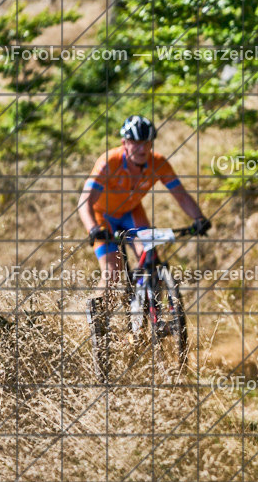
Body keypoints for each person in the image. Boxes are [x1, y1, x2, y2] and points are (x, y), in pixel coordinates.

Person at [77, 115, 210, 334]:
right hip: (103, 216)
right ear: (124, 143)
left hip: (131, 212)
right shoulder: (109, 162)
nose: (141, 148)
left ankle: (152, 315)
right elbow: (85, 201)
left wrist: (199, 219)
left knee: (149, 256)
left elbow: (181, 195)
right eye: (136, 143)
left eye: (146, 143)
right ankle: (100, 321)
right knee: (112, 271)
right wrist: (93, 228)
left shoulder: (158, 163)